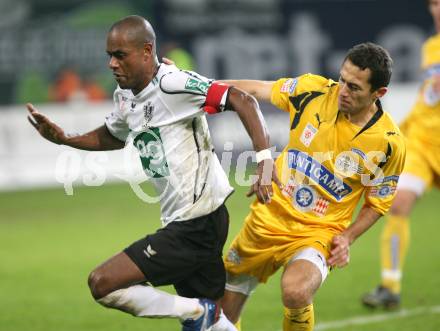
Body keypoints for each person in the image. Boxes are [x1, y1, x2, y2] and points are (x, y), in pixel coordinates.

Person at [26, 15, 279, 331]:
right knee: (216, 327)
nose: (112, 64)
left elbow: (242, 99)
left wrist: (265, 160)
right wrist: (65, 138)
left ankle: (198, 312)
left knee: (102, 283)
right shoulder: (126, 97)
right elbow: (112, 137)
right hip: (183, 221)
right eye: (109, 56)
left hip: (197, 224)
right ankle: (204, 316)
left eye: (120, 55)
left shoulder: (173, 84)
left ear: (147, 51)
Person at [217, 43, 406, 331]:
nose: (342, 90)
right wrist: (197, 85)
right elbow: (255, 90)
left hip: (318, 232)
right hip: (267, 219)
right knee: (222, 313)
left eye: (354, 87)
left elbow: (378, 203)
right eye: (342, 79)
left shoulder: (388, 144)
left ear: (378, 93)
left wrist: (348, 237)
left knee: (296, 291)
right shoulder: (313, 91)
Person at [362, 0, 440, 309]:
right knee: (398, 204)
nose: (436, 10)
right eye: (433, 5)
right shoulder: (431, 46)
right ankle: (389, 286)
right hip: (422, 140)